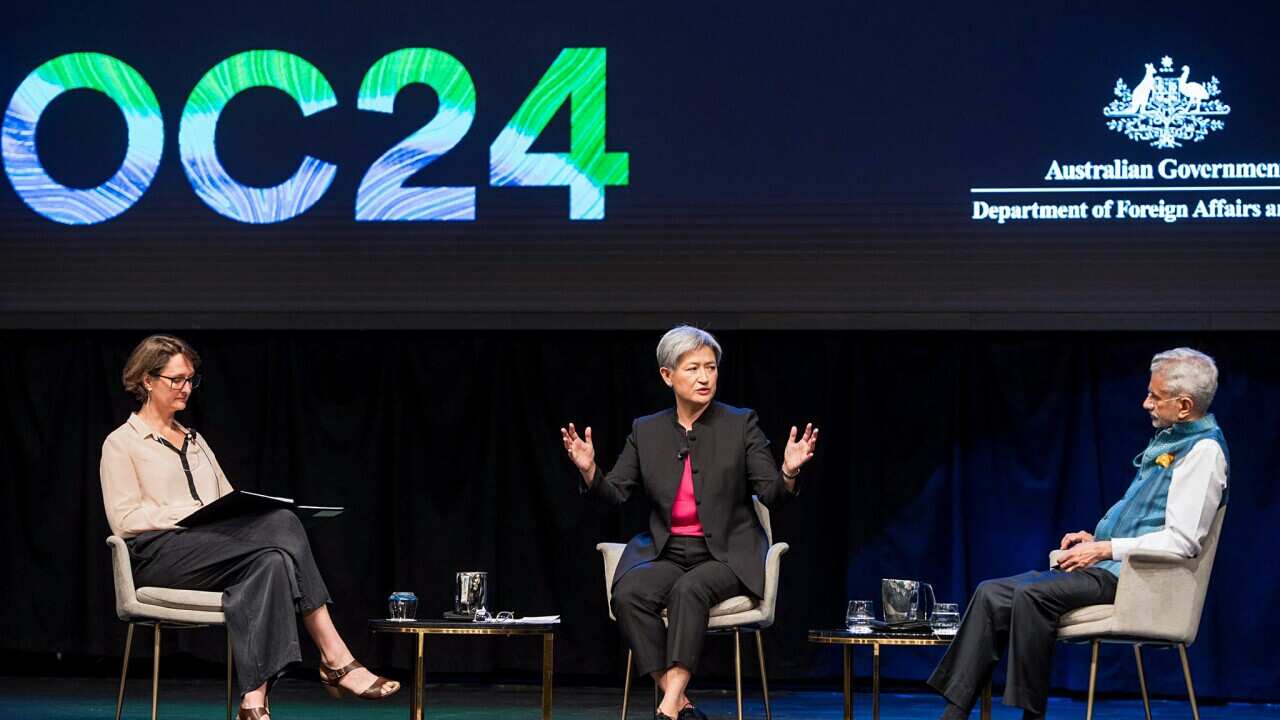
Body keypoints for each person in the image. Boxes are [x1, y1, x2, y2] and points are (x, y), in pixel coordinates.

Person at [99, 335, 399, 720]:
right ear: (146, 380)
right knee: (283, 524)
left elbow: (225, 499)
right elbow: (123, 521)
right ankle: (335, 656)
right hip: (158, 557)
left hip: (213, 552)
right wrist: (186, 515)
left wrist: (237, 511)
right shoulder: (122, 443)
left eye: (191, 379)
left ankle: (253, 702)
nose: (186, 388)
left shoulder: (195, 440)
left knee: (272, 560)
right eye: (177, 379)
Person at [928, 348, 1229, 719]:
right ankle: (955, 711)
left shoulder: (1203, 452)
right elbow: (1144, 517)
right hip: (1111, 570)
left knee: (1032, 596)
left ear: (1184, 405)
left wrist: (1104, 549)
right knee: (992, 592)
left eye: (1155, 396)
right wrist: (1096, 539)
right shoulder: (1172, 442)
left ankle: (1031, 714)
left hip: (1138, 581)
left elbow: (1183, 541)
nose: (1146, 402)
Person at [561, 326, 819, 720]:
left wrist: (787, 472)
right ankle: (680, 704)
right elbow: (615, 495)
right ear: (668, 376)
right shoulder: (645, 430)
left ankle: (666, 710)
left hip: (727, 554)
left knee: (690, 589)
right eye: (694, 368)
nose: (704, 378)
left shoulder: (740, 424)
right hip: (668, 550)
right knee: (628, 592)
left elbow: (771, 494)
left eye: (711, 368)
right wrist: (591, 471)